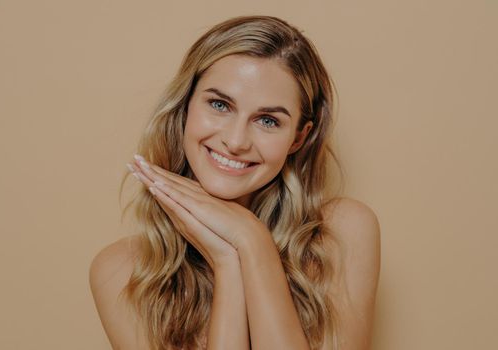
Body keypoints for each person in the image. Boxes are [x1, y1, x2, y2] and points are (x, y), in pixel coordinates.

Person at [89, 15, 381, 350]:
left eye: (268, 120)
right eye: (219, 104)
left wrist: (252, 241)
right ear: (185, 107)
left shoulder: (342, 234)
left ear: (299, 138)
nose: (236, 140)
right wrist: (228, 261)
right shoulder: (122, 272)